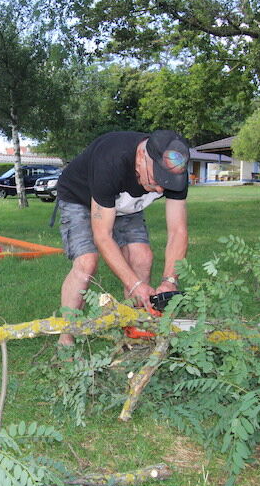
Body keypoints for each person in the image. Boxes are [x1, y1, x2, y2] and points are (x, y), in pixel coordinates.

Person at [55, 130, 190, 345]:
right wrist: (134, 284)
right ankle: (66, 339)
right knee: (87, 263)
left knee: (142, 257)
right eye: (156, 179)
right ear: (141, 157)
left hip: (125, 204)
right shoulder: (111, 159)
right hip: (80, 197)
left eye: (166, 183)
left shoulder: (174, 168)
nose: (159, 189)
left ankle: (134, 331)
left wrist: (169, 281)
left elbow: (178, 231)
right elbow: (102, 236)